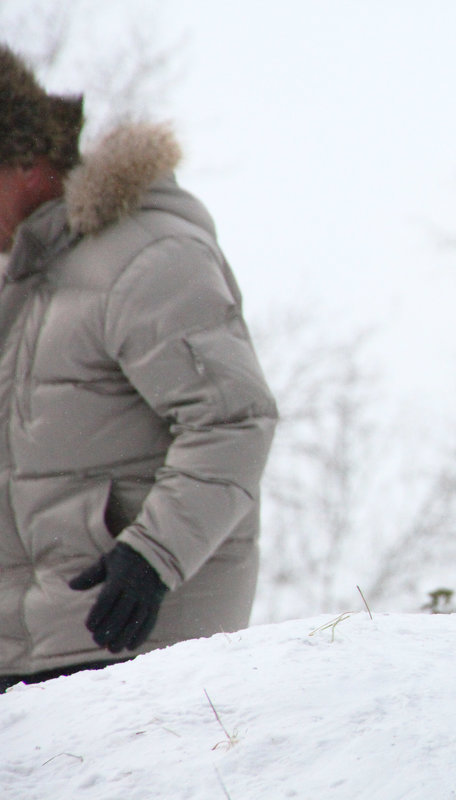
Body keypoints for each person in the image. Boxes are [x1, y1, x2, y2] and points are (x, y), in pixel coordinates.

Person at [0, 45, 277, 691]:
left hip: (136, 645)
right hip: (26, 652)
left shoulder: (148, 257)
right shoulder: (25, 277)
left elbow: (235, 422)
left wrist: (153, 558)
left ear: (22, 157)